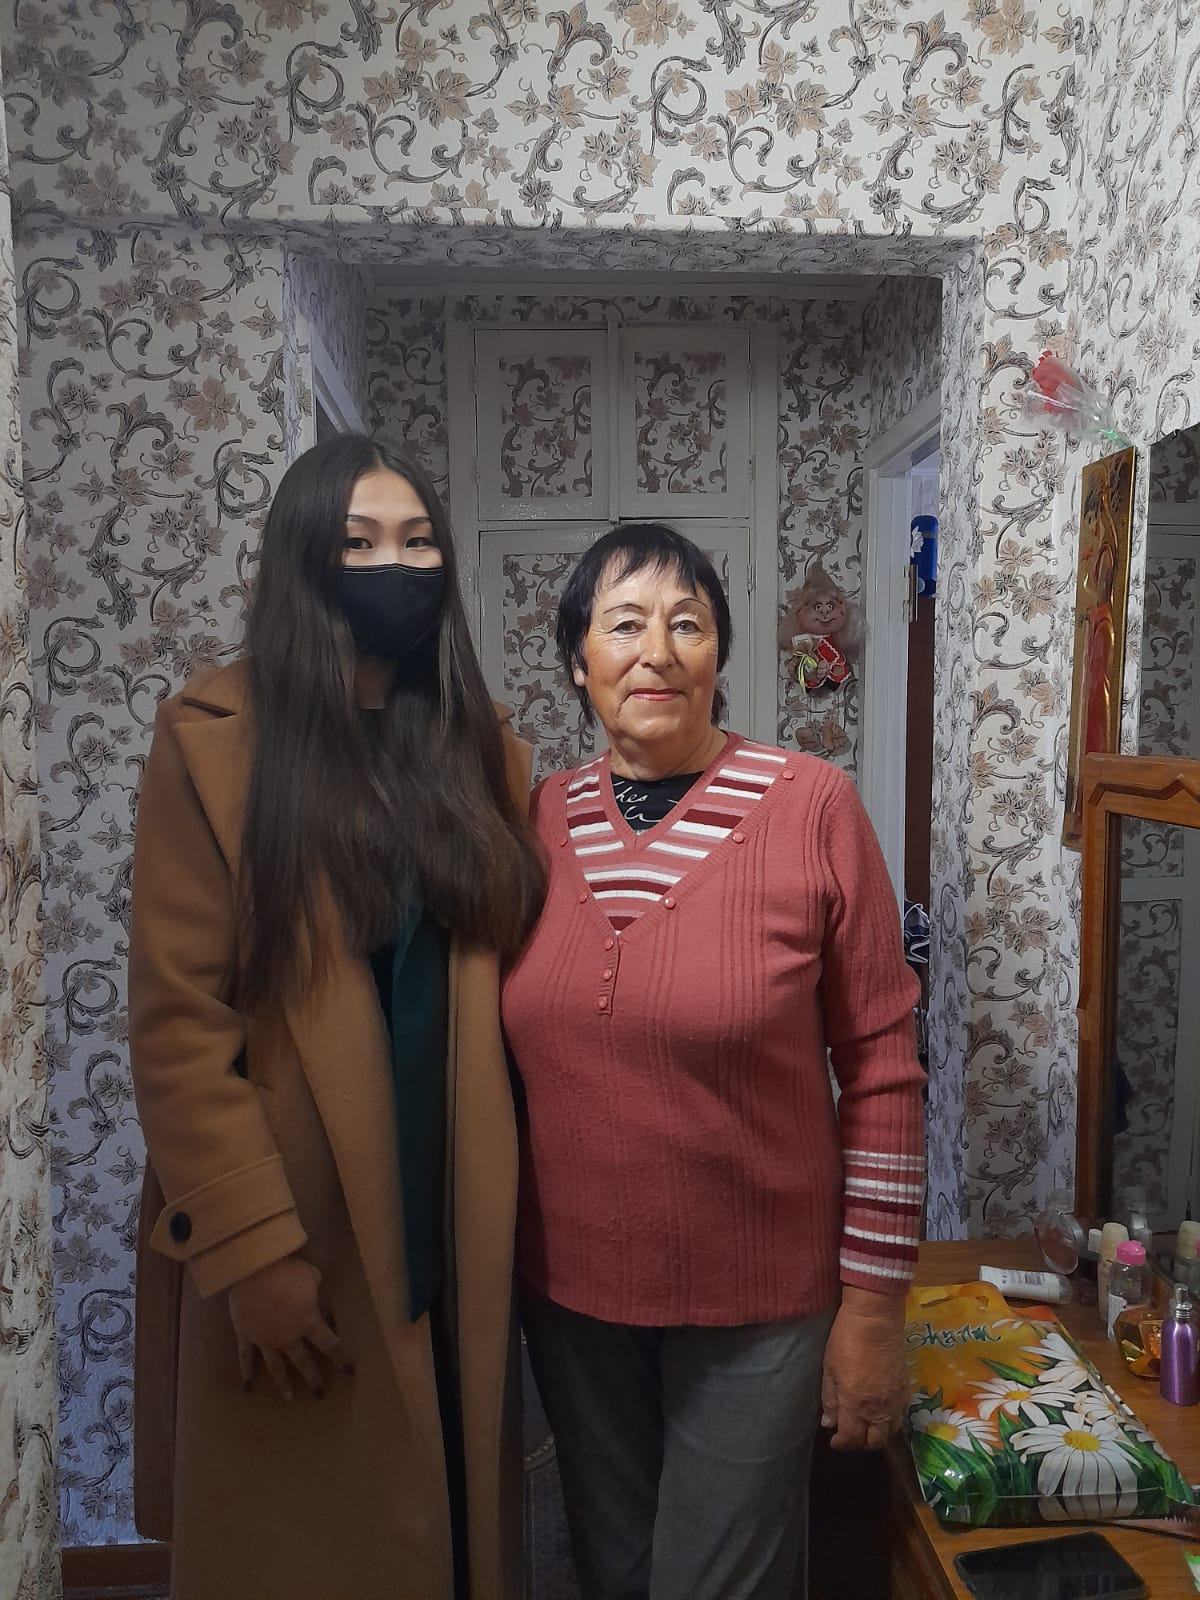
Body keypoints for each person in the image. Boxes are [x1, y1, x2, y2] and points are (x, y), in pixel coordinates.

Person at [128, 435, 545, 1600]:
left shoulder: (478, 743)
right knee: (310, 1538)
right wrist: (252, 1251)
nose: (392, 566)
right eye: (359, 543)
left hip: (452, 1197)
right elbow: (176, 1023)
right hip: (300, 1211)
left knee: (454, 1509)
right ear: (304, 557)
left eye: (416, 542)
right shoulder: (212, 739)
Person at [502, 523, 927, 1600]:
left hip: (759, 1305)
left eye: (687, 624)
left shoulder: (812, 806)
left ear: (719, 653)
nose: (657, 651)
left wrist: (874, 1307)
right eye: (624, 624)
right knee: (613, 1571)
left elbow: (882, 1067)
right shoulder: (534, 819)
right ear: (577, 660)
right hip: (573, 1302)